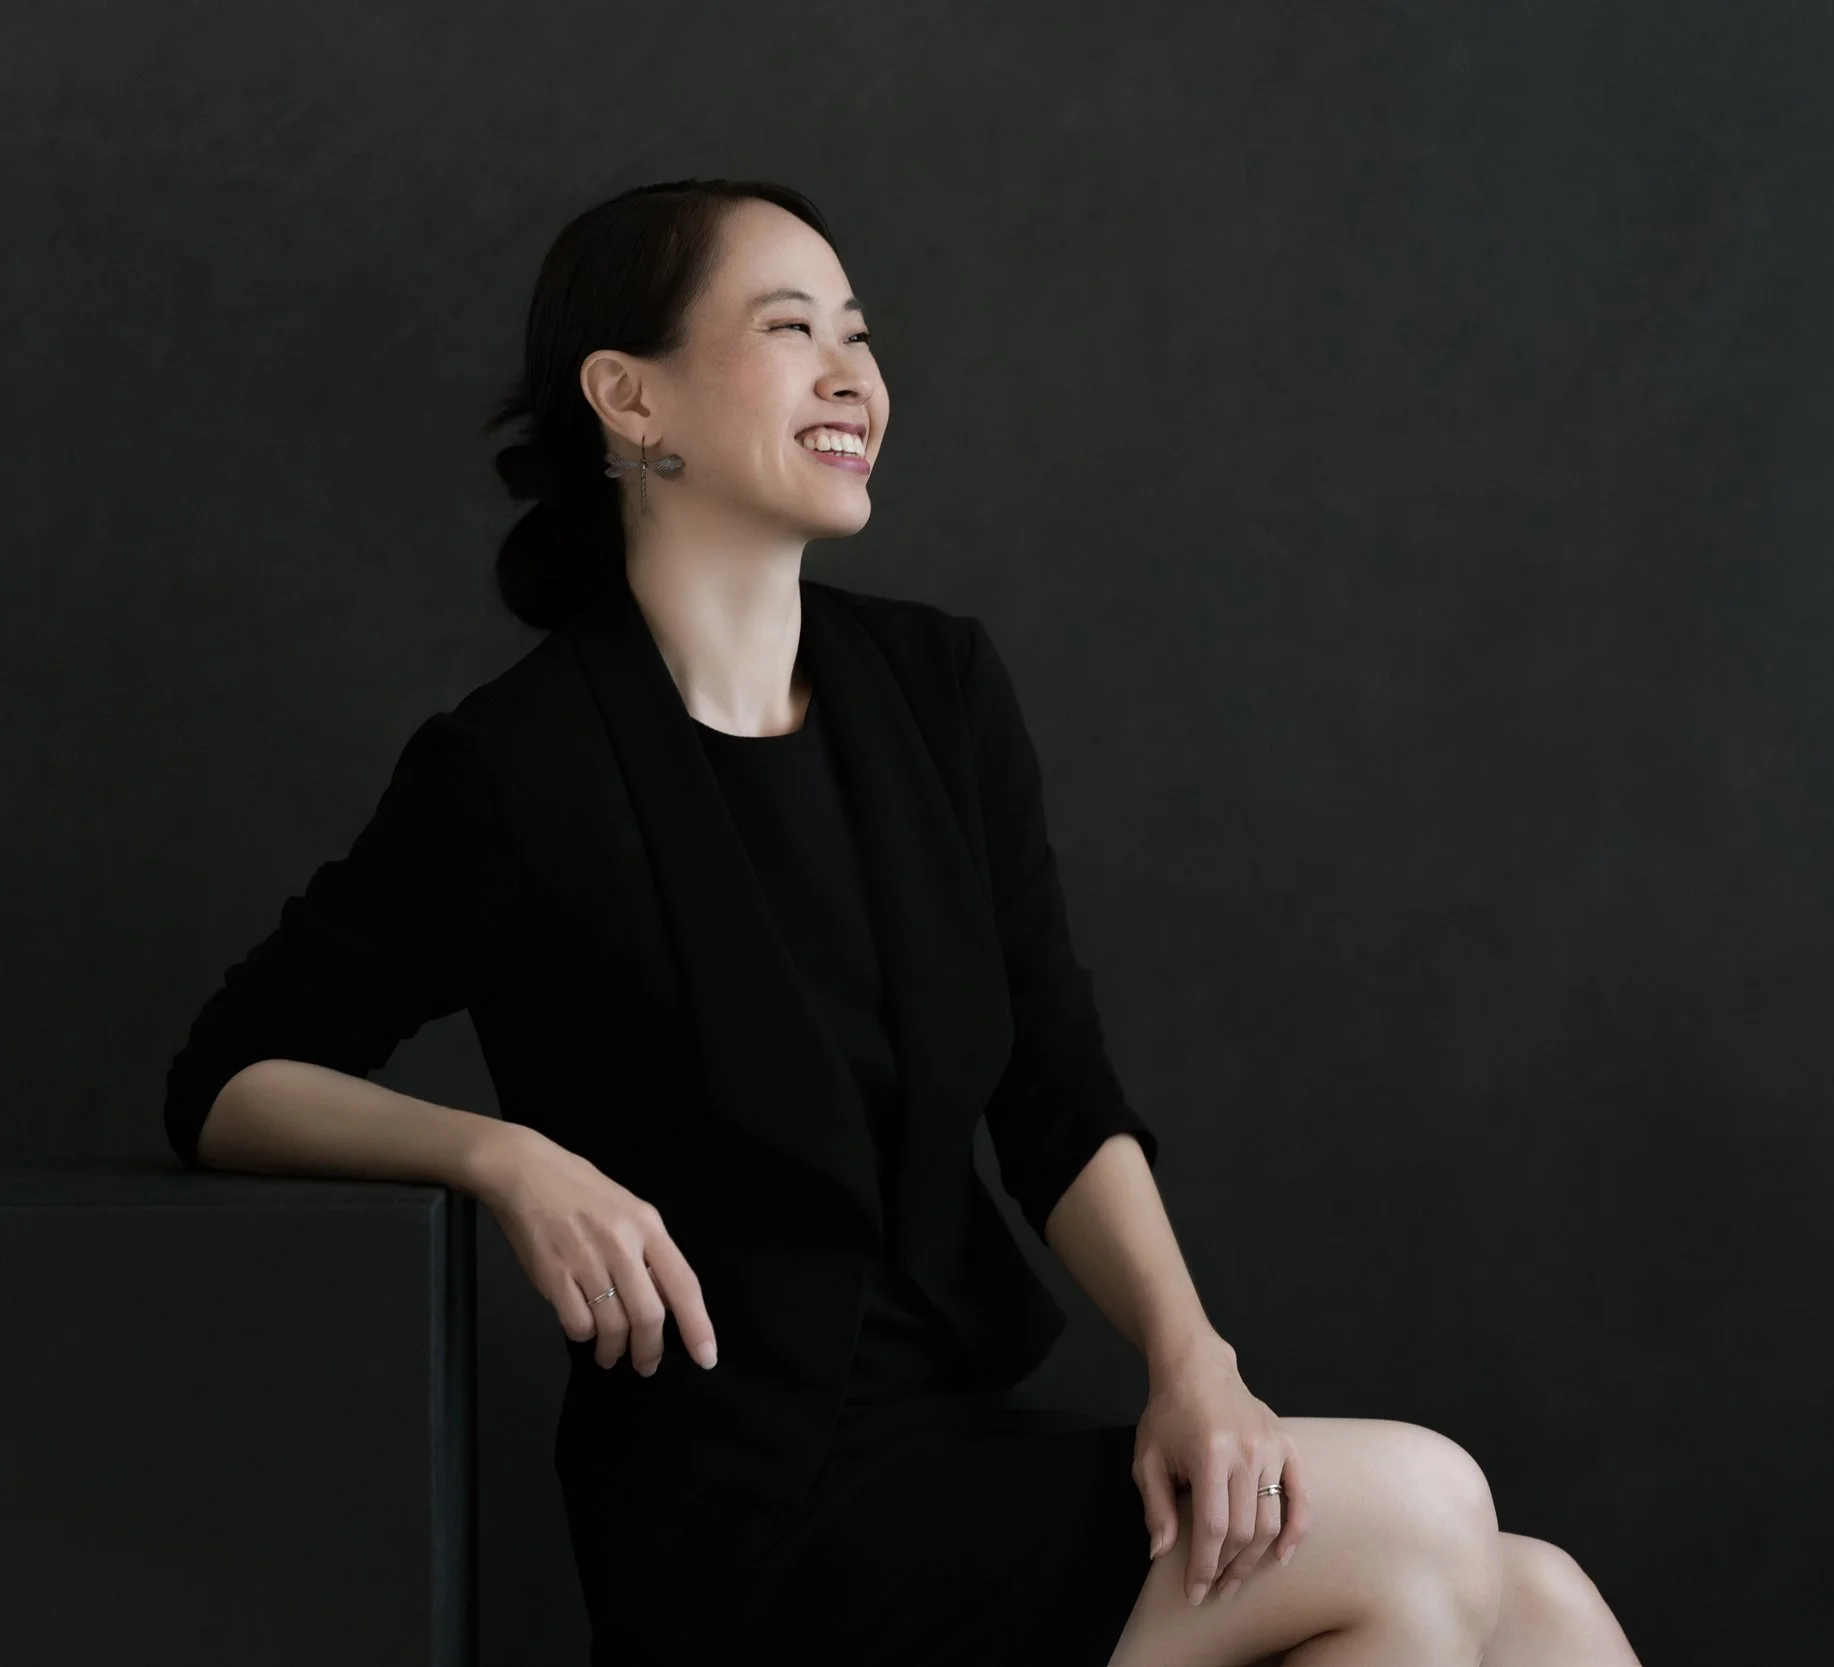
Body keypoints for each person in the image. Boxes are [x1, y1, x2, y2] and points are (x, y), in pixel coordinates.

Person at [162, 177, 1640, 1666]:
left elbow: (1058, 1094)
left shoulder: (936, 694)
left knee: (1540, 1602)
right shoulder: (522, 767)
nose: (851, 373)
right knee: (1427, 1505)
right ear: (628, 398)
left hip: (953, 1446)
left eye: (859, 335)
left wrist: (1198, 1364)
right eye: (792, 328)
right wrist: (501, 1157)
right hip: (746, 1523)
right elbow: (228, 1072)